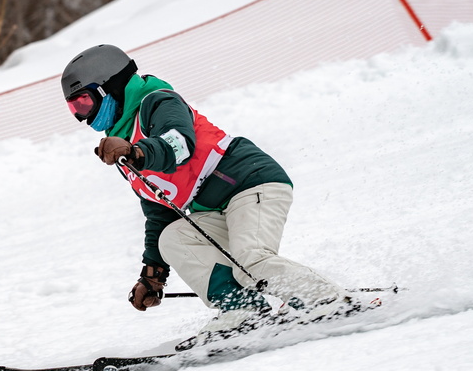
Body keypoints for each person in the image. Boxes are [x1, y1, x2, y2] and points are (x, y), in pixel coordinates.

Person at [60, 44, 355, 337]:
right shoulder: (120, 144)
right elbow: (159, 210)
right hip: (213, 208)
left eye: (84, 102)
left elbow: (179, 144)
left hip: (250, 183)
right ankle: (243, 310)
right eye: (75, 109)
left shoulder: (158, 102)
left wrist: (137, 152)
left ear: (110, 87)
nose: (83, 116)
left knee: (249, 260)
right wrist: (152, 276)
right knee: (173, 238)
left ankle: (330, 301)